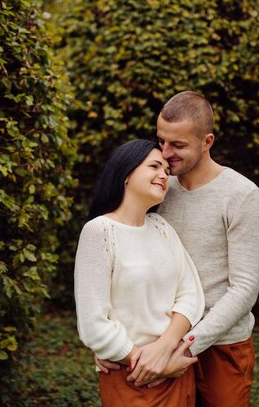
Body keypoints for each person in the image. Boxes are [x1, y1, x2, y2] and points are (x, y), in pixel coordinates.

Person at [96, 92, 259, 407]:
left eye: (178, 145)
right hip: (156, 339)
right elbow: (123, 263)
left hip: (221, 346)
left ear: (207, 141)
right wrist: (106, 343)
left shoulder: (241, 195)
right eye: (161, 141)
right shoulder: (157, 189)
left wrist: (183, 346)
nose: (165, 153)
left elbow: (244, 290)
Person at [74, 139, 205, 407]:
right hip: (131, 379)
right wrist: (144, 362)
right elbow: (93, 324)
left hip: (176, 371)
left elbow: (191, 295)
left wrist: (165, 351)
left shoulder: (161, 227)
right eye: (155, 166)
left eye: (167, 171)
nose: (164, 175)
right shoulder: (99, 232)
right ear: (126, 174)